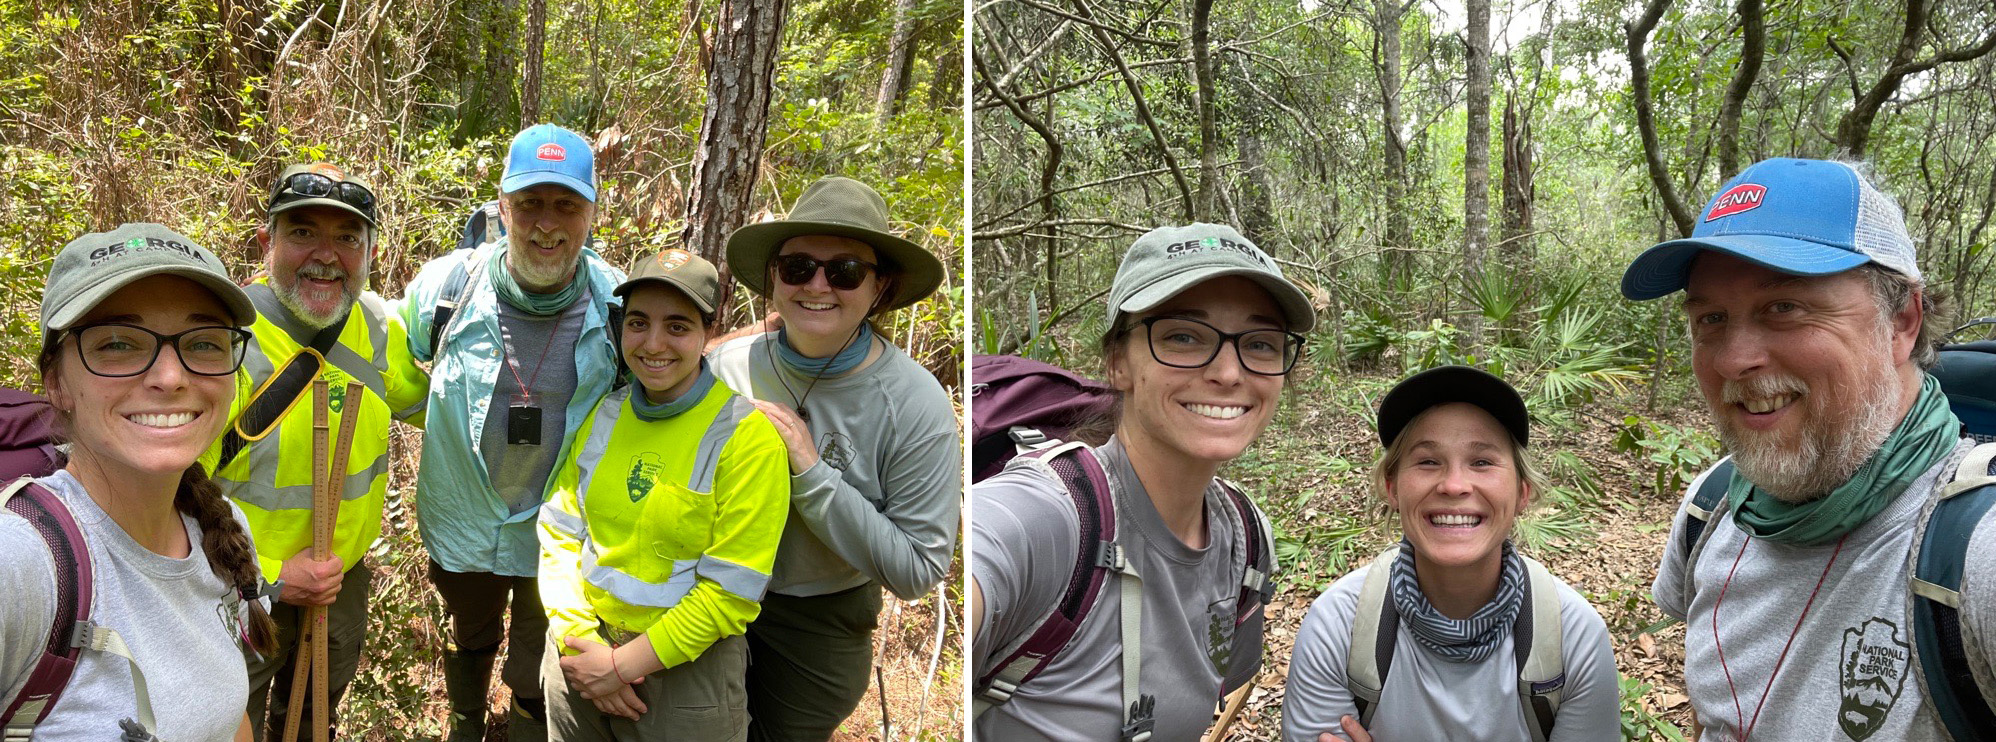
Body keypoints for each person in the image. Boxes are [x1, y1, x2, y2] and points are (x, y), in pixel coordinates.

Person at [1625, 156, 1996, 740]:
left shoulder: (1976, 553)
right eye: (1712, 319)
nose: (1731, 359)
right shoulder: (1713, 505)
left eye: (1784, 307)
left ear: (1901, 320)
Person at [970, 223, 1307, 741]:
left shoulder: (1245, 538)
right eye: (1183, 336)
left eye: (1259, 344)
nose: (1227, 372)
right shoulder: (1047, 518)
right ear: (1117, 362)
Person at [708, 176, 959, 741]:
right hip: (704, 593)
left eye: (845, 270)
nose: (817, 284)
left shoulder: (914, 404)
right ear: (774, 276)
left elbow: (919, 567)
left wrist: (810, 469)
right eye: (797, 267)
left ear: (881, 287)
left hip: (817, 621)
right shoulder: (723, 367)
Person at [0, 223, 273, 739]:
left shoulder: (224, 530)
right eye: (119, 343)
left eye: (204, 343)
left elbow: (228, 719)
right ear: (56, 382)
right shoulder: (21, 565)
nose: (170, 377)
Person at [400, 123, 626, 741]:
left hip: (558, 537)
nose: (546, 224)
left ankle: (527, 723)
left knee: (538, 660)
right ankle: (465, 723)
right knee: (468, 638)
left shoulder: (619, 308)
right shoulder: (446, 291)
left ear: (590, 214)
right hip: (462, 523)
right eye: (529, 203)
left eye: (566, 205)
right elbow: (391, 369)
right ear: (502, 208)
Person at [207, 162, 428, 741]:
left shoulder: (380, 329)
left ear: (371, 251)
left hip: (341, 581)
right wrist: (273, 578)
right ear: (267, 241)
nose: (326, 255)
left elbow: (433, 408)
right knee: (232, 724)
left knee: (312, 723)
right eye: (304, 232)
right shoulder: (223, 337)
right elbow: (173, 493)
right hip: (236, 591)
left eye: (348, 238)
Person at [1281, 366, 1619, 741]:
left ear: (1522, 493)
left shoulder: (1573, 637)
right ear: (1393, 489)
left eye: (1482, 462)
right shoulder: (1339, 626)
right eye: (1427, 461)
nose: (1454, 485)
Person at [536, 248, 790, 741]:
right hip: (579, 656)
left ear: (707, 333)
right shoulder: (605, 415)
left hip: (685, 675)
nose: (653, 344)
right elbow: (559, 533)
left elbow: (730, 592)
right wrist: (581, 641)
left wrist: (621, 666)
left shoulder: (746, 438)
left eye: (677, 326)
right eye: (638, 323)